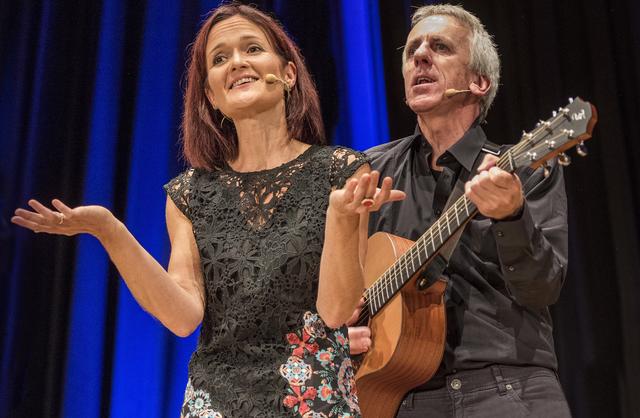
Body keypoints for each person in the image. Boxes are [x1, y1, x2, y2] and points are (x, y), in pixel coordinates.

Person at [12, 4, 404, 417]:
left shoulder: (340, 171)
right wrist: (109, 231)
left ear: (288, 74)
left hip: (313, 403)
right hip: (214, 405)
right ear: (212, 96)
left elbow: (336, 311)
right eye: (220, 59)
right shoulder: (189, 193)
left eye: (252, 48)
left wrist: (342, 217)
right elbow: (183, 317)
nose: (236, 62)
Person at [348, 4, 572, 417]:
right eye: (412, 49)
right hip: (399, 396)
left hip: (506, 388)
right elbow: (335, 285)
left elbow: (542, 289)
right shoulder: (371, 170)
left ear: (479, 82)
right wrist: (344, 328)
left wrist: (511, 216)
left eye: (440, 47)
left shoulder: (523, 168)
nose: (420, 56)